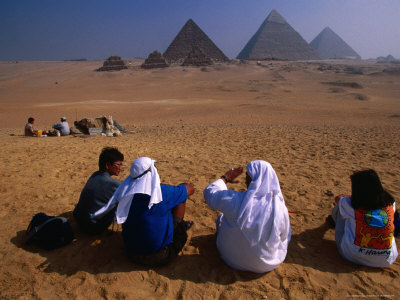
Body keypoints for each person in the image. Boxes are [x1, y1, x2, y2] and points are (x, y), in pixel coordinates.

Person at [93, 157, 195, 266]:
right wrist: (180, 187)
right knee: (180, 197)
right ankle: (179, 228)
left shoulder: (125, 192)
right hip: (160, 256)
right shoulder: (162, 192)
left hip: (130, 252)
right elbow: (190, 189)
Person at [203, 160, 291, 273]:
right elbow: (283, 236)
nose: (246, 180)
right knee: (286, 233)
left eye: (247, 177)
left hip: (231, 259)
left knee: (221, 218)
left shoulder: (236, 200)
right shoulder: (279, 207)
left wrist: (225, 178)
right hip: (266, 264)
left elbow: (210, 193)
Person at [328, 169, 398, 267]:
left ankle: (333, 223)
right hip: (386, 260)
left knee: (339, 209)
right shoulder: (390, 204)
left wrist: (351, 197)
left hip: (352, 255)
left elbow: (338, 199)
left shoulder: (350, 204)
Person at [73, 147, 124, 234]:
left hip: (79, 220)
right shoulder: (113, 184)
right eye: (118, 165)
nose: (121, 168)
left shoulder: (95, 175)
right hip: (93, 226)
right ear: (108, 165)